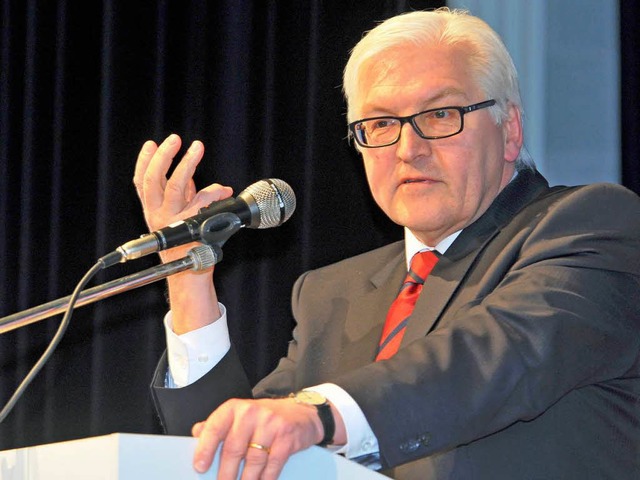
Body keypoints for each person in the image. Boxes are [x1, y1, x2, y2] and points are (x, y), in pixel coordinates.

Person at [133, 8, 640, 480]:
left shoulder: (590, 225)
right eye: (378, 124)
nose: (407, 149)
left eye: (440, 115)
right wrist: (188, 274)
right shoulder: (331, 294)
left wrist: (318, 415)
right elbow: (228, 456)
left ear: (510, 130)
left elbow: (496, 357)